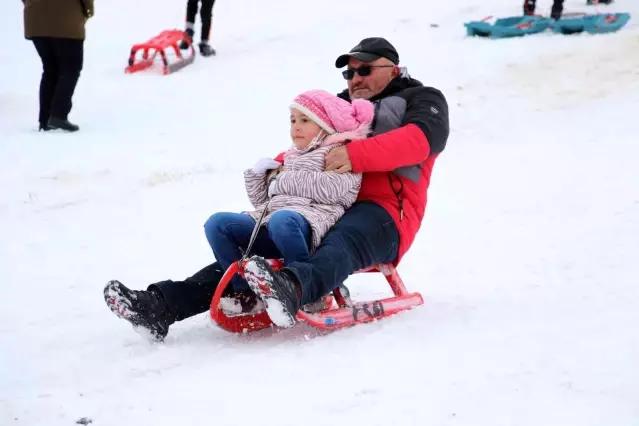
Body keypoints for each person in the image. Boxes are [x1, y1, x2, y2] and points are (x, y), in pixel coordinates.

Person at [103, 37, 450, 341]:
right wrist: (280, 166)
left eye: (364, 70)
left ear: (393, 68)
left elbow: (420, 141)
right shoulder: (338, 106)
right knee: (252, 250)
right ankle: (161, 305)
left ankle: (294, 288)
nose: (355, 79)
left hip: (384, 213)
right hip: (320, 206)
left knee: (341, 242)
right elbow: (308, 148)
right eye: (349, 73)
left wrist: (354, 154)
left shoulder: (420, 98)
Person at [23, 0, 94, 132]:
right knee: (71, 68)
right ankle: (58, 115)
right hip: (67, 20)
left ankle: (45, 119)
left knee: (50, 69)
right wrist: (88, 10)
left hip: (35, 20)